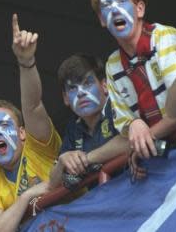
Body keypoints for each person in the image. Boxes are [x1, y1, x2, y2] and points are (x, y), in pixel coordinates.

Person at [0, 14, 62, 232]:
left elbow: (33, 106)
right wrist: (26, 198)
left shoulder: (38, 147)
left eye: (4, 126)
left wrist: (26, 62)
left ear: (23, 133)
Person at [89, 0, 176, 165]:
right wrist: (134, 123)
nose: (115, 10)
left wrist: (140, 142)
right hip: (162, 159)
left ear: (140, 9)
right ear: (101, 19)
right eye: (107, 6)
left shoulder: (164, 38)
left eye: (121, 1)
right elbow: (127, 131)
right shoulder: (112, 65)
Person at [49, 53, 129, 189]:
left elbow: (130, 140)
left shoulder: (118, 105)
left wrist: (86, 159)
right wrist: (62, 162)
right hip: (103, 202)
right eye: (73, 88)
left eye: (87, 83)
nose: (80, 93)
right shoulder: (73, 127)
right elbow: (52, 183)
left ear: (105, 85)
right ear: (65, 98)